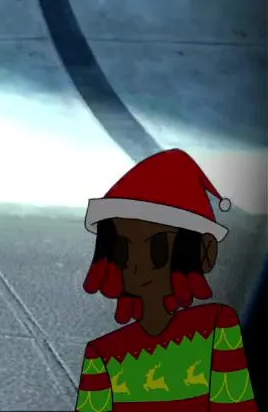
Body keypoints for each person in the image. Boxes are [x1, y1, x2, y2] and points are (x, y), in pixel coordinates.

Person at [75, 148, 257, 412]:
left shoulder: (217, 328)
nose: (136, 265)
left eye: (157, 249)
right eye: (123, 250)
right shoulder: (101, 355)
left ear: (205, 252)